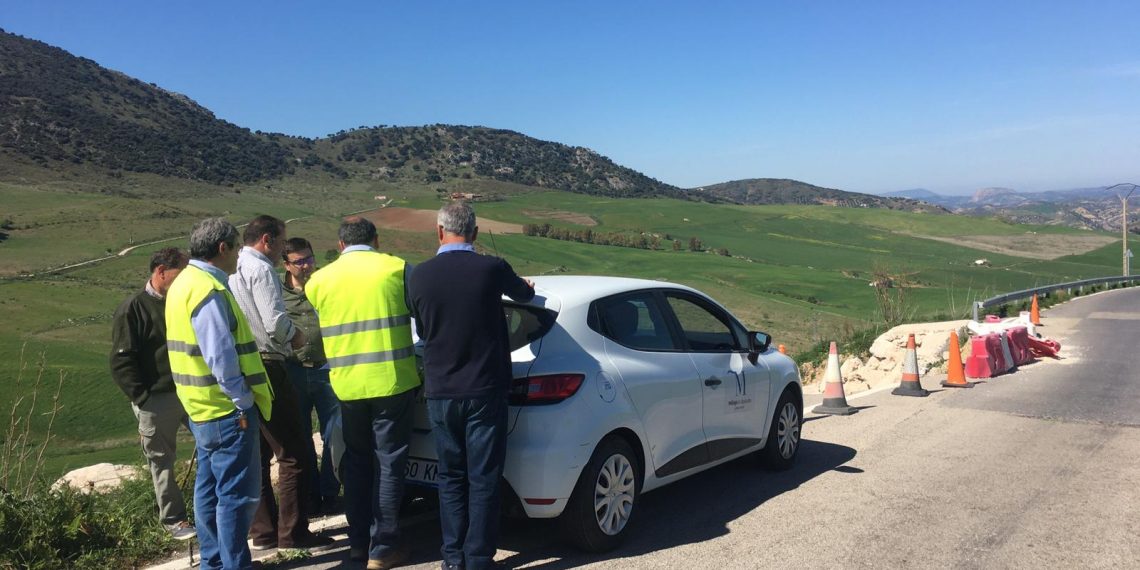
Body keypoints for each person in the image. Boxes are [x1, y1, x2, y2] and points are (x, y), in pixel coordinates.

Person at [408, 202, 534, 570]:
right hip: (484, 389)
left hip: (440, 391)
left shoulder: (419, 276)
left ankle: (451, 558)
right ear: (476, 233)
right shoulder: (492, 268)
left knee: (450, 477)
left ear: (439, 232)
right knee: (484, 477)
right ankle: (478, 558)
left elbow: (423, 325)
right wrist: (525, 286)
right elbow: (523, 295)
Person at [305, 216, 420, 570]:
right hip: (392, 381)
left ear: (340, 245)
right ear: (377, 239)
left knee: (356, 463)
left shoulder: (319, 280)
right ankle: (383, 548)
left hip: (347, 386)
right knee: (389, 464)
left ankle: (358, 545)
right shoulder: (397, 270)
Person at [165, 217, 273, 570]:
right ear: (222, 248)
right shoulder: (207, 290)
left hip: (200, 408)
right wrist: (240, 399)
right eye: (237, 247)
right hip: (227, 409)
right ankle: (235, 564)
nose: (240, 254)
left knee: (208, 490)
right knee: (236, 496)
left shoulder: (183, 284)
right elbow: (220, 355)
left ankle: (214, 561)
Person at [227, 215, 330, 552]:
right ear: (267, 240)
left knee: (258, 452)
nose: (281, 252)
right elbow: (274, 323)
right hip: (271, 362)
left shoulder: (235, 268)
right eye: (281, 243)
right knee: (294, 453)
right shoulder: (261, 270)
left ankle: (263, 531)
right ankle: (293, 533)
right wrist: (296, 336)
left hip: (245, 365)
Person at [109, 247, 195, 541]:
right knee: (161, 460)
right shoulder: (133, 308)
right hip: (157, 398)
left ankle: (215, 511)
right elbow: (121, 359)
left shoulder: (181, 301)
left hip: (192, 390)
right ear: (161, 272)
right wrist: (142, 397)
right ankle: (175, 521)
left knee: (215, 445)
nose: (186, 280)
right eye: (180, 274)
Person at [281, 237, 342, 514]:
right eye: (299, 261)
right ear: (286, 265)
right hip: (294, 371)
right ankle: (310, 496)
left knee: (334, 434)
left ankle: (330, 492)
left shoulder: (327, 285)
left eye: (309, 259)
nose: (306, 266)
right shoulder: (277, 293)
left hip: (327, 369)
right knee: (301, 438)